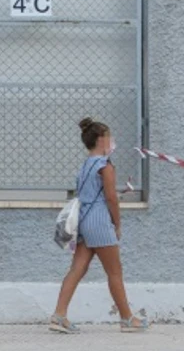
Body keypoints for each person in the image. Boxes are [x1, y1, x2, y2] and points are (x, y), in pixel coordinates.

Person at [48, 118, 145, 333]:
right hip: (100, 221)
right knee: (115, 272)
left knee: (76, 269)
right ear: (101, 140)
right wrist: (117, 224)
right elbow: (111, 198)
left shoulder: (85, 165)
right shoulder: (105, 166)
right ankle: (127, 319)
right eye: (109, 137)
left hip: (84, 220)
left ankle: (59, 315)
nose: (112, 141)